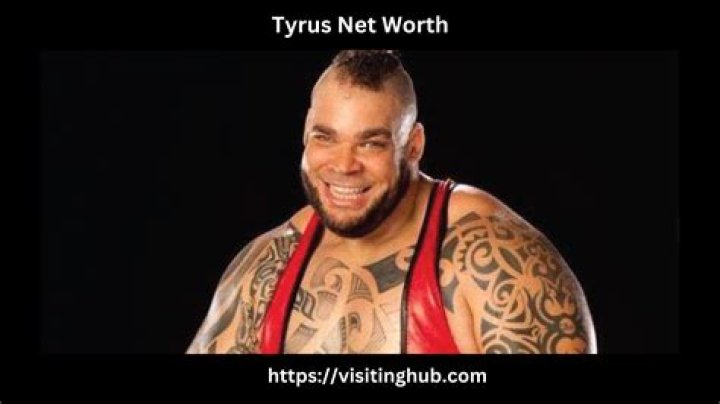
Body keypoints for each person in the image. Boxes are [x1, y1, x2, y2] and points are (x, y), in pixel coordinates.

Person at [186, 50, 597, 354]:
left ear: (413, 146)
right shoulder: (265, 268)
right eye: (325, 138)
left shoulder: (492, 259)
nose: (344, 165)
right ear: (305, 135)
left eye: (371, 144)